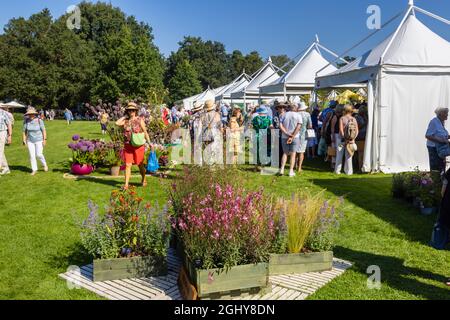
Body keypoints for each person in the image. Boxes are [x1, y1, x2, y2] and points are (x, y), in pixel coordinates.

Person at [116, 102, 151, 189]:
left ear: (136, 111)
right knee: (128, 165)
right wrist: (125, 116)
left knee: (140, 164)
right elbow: (117, 123)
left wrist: (150, 143)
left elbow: (145, 131)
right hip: (128, 146)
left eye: (133, 110)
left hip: (138, 146)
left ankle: (143, 178)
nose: (131, 112)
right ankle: (126, 185)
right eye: (129, 110)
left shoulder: (140, 119)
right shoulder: (125, 121)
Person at [22, 107, 48, 176]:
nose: (31, 115)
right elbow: (24, 131)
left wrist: (45, 139)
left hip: (39, 140)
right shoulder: (26, 121)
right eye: (29, 114)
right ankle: (34, 169)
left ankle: (44, 165)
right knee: (32, 156)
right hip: (30, 141)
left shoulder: (39, 120)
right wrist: (24, 140)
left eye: (32, 114)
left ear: (34, 114)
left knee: (39, 154)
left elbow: (44, 130)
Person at [279, 104, 302, 177]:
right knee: (293, 154)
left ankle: (282, 169)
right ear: (296, 108)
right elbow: (298, 127)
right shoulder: (298, 115)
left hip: (284, 136)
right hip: (295, 137)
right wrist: (292, 135)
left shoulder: (283, 115)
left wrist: (287, 133)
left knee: (285, 153)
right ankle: (291, 171)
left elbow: (280, 126)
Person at [335, 104, 358, 175]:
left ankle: (337, 171)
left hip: (341, 139)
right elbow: (357, 130)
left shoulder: (342, 118)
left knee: (339, 155)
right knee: (349, 156)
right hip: (351, 140)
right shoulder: (353, 119)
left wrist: (344, 138)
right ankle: (349, 171)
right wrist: (353, 139)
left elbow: (341, 130)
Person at [425, 108, 450, 173]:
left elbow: (442, 135)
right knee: (436, 169)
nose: (447, 115)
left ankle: (441, 181)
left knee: (441, 167)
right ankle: (436, 181)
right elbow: (428, 135)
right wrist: (441, 140)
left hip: (441, 149)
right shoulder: (434, 122)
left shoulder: (441, 122)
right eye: (446, 113)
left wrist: (446, 138)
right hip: (434, 148)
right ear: (441, 114)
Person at [200, 100, 223, 166]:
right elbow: (220, 126)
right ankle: (213, 167)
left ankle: (207, 166)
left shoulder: (203, 115)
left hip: (205, 134)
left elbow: (201, 125)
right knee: (214, 151)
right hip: (214, 133)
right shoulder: (216, 114)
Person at [296, 102, 313, 173]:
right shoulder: (307, 114)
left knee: (295, 151)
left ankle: (295, 165)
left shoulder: (296, 114)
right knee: (301, 152)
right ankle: (299, 167)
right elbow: (310, 125)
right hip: (304, 135)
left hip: (295, 134)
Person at [330, 105, 344, 170]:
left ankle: (337, 163)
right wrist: (332, 136)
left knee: (339, 149)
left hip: (340, 135)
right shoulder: (335, 116)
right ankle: (333, 163)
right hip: (335, 135)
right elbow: (332, 127)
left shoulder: (342, 117)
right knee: (334, 149)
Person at [355, 104, 368, 171]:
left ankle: (361, 166)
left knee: (361, 153)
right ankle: (360, 166)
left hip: (363, 136)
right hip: (361, 136)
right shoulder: (358, 117)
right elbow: (357, 127)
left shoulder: (366, 117)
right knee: (360, 153)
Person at [0, 104, 12, 175]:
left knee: (0, 150)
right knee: (1, 152)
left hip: (2, 132)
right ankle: (6, 168)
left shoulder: (3, 113)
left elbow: (9, 124)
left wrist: (9, 135)